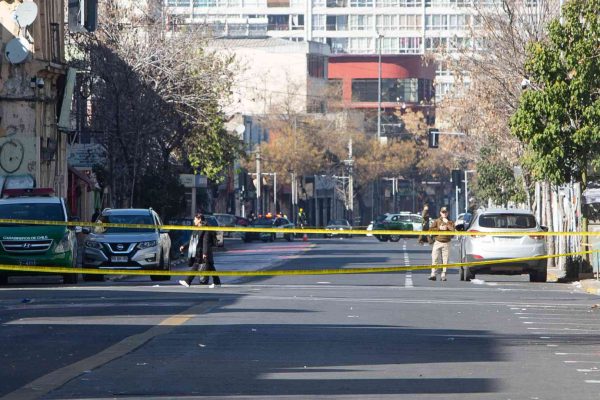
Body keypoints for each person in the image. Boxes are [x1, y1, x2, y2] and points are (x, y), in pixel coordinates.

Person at [179, 212, 221, 288]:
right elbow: (192, 240)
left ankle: (187, 281)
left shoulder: (205, 229)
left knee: (197, 264)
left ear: (199, 220)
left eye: (195, 219)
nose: (194, 221)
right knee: (210, 266)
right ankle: (217, 282)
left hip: (203, 251)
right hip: (199, 250)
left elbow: (206, 241)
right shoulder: (197, 229)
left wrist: (205, 253)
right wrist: (184, 246)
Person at [428, 206, 455, 282]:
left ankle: (443, 275)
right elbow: (430, 230)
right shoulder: (436, 221)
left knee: (445, 260)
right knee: (435, 258)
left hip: (447, 243)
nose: (444, 213)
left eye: (445, 212)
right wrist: (439, 228)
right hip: (437, 242)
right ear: (440, 213)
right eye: (443, 212)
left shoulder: (450, 221)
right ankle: (433, 274)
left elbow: (453, 232)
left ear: (447, 213)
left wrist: (447, 224)